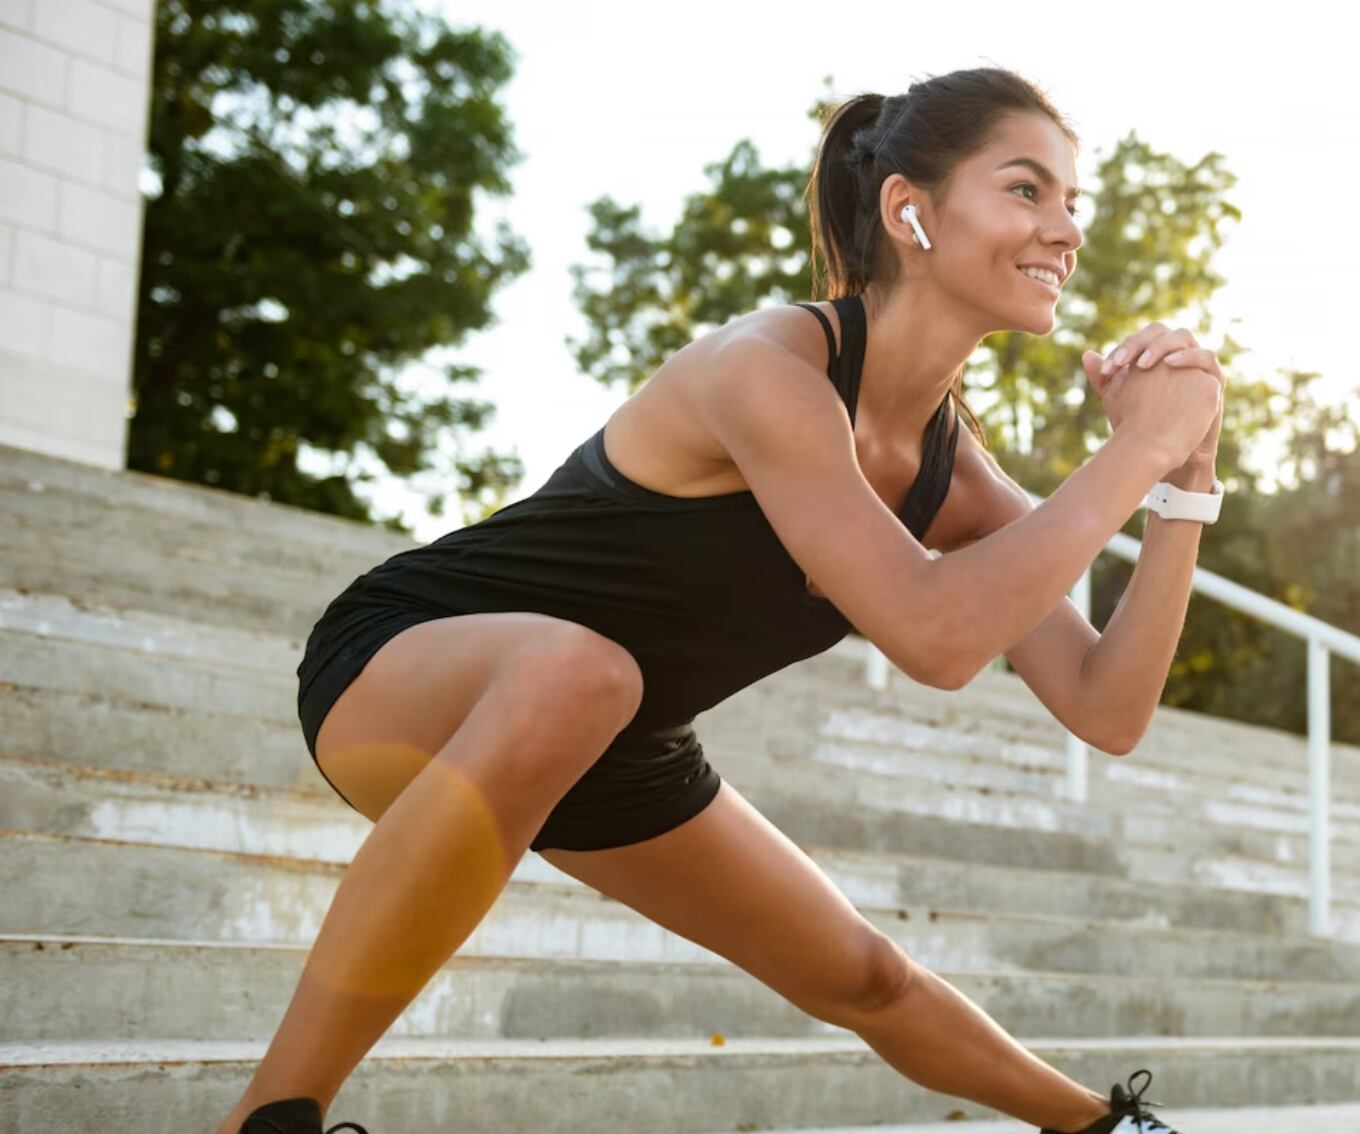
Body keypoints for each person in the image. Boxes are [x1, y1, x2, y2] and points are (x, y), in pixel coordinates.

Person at [225, 65, 1222, 1134]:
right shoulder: (767, 368)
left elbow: (1107, 706)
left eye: (1073, 200)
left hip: (613, 737)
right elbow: (935, 637)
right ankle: (271, 1118)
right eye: (1027, 190)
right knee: (580, 671)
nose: (1066, 229)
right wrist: (1136, 448)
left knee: (868, 976)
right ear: (910, 211)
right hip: (406, 663)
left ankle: (1107, 1128)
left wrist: (1183, 486)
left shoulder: (955, 478)